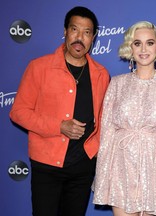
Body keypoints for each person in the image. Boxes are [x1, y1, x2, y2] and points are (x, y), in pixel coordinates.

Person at [10, 6, 110, 216]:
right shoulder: (39, 67)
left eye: (86, 32)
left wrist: (95, 151)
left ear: (93, 37)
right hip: (47, 166)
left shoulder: (101, 74)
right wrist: (59, 126)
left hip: (83, 168)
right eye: (74, 29)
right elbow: (18, 112)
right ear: (65, 31)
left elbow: (103, 119)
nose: (79, 38)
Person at [92, 21, 156, 216]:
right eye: (137, 43)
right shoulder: (116, 84)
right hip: (120, 166)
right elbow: (106, 133)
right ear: (130, 48)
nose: (143, 49)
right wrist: (103, 176)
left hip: (153, 166)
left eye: (149, 43)